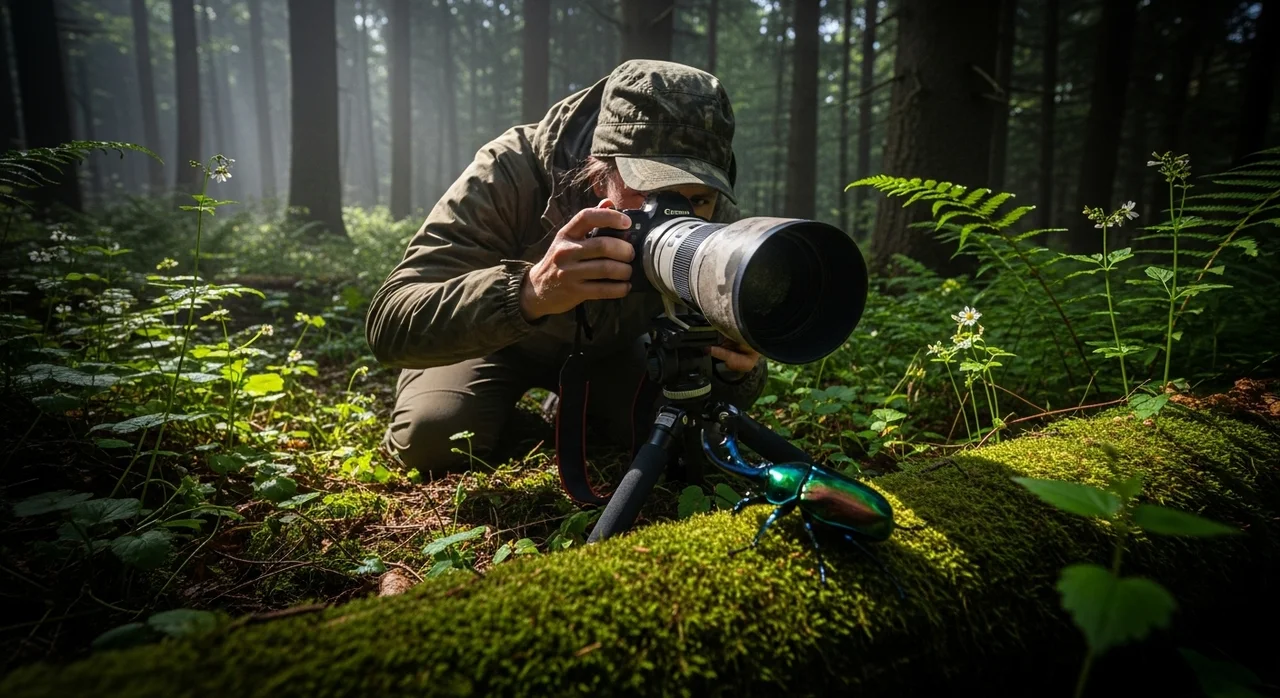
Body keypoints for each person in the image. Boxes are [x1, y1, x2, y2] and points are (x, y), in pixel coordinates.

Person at [365, 59, 768, 475]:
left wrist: (739, 369)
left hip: (613, 352)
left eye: (697, 199)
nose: (677, 213)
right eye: (652, 192)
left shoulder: (713, 210)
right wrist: (529, 291)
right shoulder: (509, 171)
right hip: (489, 345)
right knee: (434, 436)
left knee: (683, 440)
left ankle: (578, 405)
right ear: (599, 172)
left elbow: (723, 387)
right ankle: (527, 420)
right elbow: (390, 323)